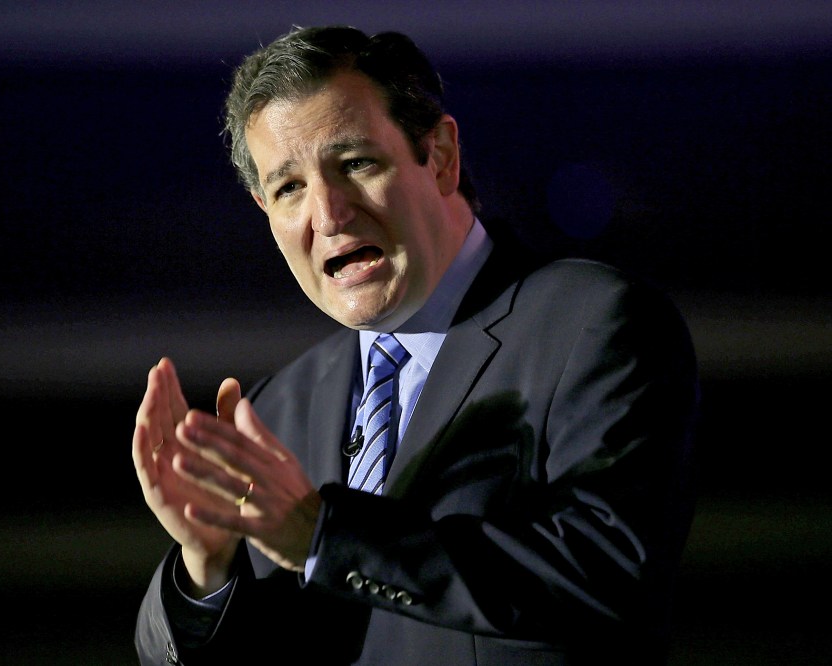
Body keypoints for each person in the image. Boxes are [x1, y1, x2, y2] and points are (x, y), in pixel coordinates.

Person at [131, 25, 699, 666]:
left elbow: (607, 579)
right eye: (290, 188)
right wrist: (207, 568)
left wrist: (324, 539)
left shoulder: (592, 326)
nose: (328, 214)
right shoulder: (273, 412)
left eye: (356, 164)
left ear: (441, 155)